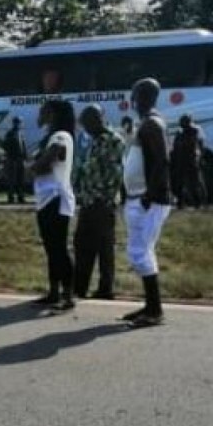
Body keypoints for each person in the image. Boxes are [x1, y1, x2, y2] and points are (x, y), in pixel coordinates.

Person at [122, 79, 174, 327]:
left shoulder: (152, 123)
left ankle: (155, 311)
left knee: (140, 253)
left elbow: (162, 162)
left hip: (149, 200)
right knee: (142, 252)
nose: (132, 101)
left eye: (135, 96)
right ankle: (150, 306)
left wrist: (149, 196)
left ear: (143, 97)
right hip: (141, 198)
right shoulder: (146, 123)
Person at [73, 104, 126, 301]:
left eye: (88, 123)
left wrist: (104, 198)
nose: (86, 128)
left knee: (105, 248)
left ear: (98, 119)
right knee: (82, 245)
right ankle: (79, 288)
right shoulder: (93, 141)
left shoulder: (113, 141)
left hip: (102, 202)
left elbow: (115, 174)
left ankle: (105, 288)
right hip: (88, 201)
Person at [31, 100, 77, 312]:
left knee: (58, 248)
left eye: (43, 112)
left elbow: (48, 161)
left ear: (52, 114)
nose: (39, 116)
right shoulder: (50, 136)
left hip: (56, 198)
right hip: (46, 199)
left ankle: (68, 295)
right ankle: (54, 292)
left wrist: (32, 167)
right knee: (51, 248)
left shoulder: (60, 135)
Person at [171, 114, 207, 209]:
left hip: (192, 159)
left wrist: (201, 158)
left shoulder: (196, 130)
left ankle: (199, 203)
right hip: (181, 160)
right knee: (180, 183)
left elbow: (201, 145)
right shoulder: (179, 132)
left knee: (195, 182)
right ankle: (181, 203)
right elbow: (175, 147)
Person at [2, 116, 28, 204]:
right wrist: (11, 154)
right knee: (12, 179)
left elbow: (23, 146)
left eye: (20, 123)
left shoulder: (21, 133)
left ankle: (21, 197)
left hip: (20, 159)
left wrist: (25, 156)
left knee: (21, 179)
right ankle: (11, 197)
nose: (19, 124)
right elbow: (5, 145)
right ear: (14, 123)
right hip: (12, 159)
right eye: (17, 123)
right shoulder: (10, 133)